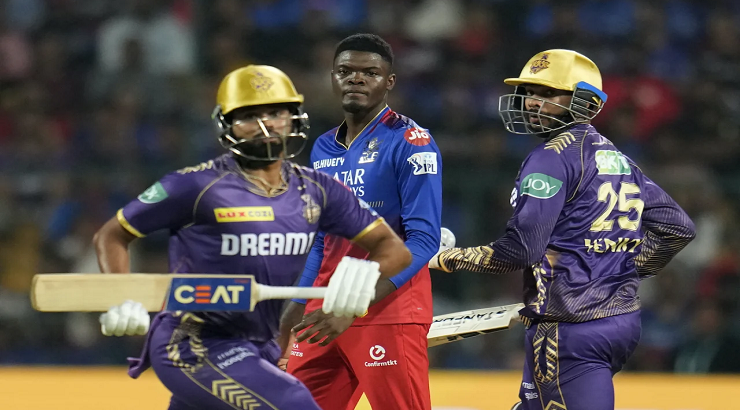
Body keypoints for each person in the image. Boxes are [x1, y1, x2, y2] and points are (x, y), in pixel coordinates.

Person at [92, 64, 413, 410]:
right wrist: (120, 295)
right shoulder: (194, 186)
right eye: (249, 116)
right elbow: (112, 235)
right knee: (294, 403)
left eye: (275, 112)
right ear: (226, 124)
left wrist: (367, 274)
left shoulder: (318, 190)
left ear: (293, 118)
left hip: (261, 345)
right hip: (193, 343)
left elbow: (394, 250)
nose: (265, 125)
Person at [430, 49, 696, 410]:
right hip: (620, 321)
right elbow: (677, 228)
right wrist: (619, 274)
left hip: (568, 328)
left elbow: (521, 250)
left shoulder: (550, 158)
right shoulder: (617, 158)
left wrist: (444, 258)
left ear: (584, 102)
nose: (532, 103)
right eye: (530, 92)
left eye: (549, 93)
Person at [279, 33, 443, 410]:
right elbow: (323, 239)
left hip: (386, 310)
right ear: (332, 78)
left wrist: (353, 305)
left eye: (370, 72)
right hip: (323, 310)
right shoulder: (322, 147)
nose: (356, 78)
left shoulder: (411, 141)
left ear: (389, 81)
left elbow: (423, 240)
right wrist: (297, 303)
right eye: (345, 71)